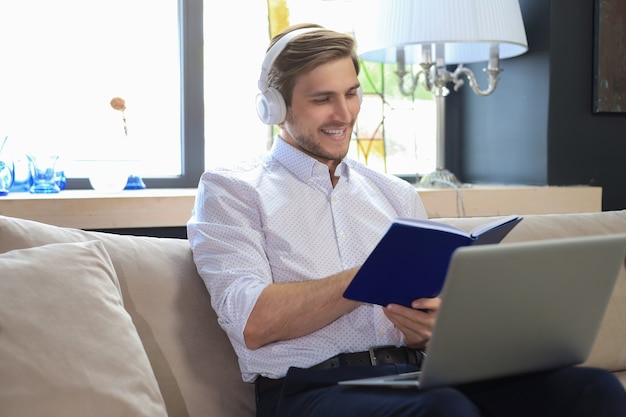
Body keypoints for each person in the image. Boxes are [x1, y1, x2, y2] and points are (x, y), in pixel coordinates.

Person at [187, 23, 626, 417]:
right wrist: (371, 276)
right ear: (274, 107)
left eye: (352, 93)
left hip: (419, 375)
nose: (344, 114)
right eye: (323, 99)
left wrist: (432, 330)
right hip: (309, 390)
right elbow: (254, 323)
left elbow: (433, 314)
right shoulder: (232, 190)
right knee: (442, 409)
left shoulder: (395, 194)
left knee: (591, 388)